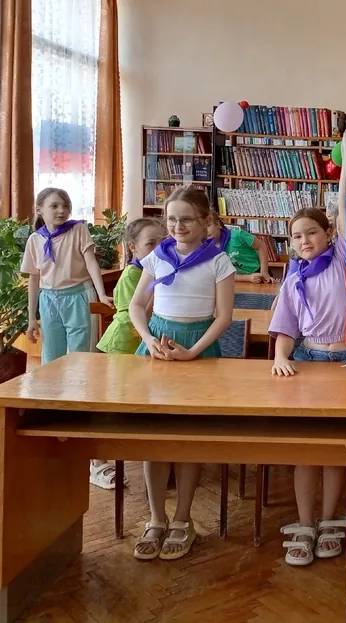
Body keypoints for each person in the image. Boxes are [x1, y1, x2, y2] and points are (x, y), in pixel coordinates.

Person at [128, 186, 236, 561]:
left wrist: (193, 351)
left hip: (198, 350)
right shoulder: (157, 256)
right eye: (172, 219)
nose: (178, 226)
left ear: (206, 221)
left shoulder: (219, 261)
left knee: (188, 438)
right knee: (154, 438)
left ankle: (183, 519)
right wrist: (148, 338)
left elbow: (224, 317)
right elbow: (137, 305)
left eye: (187, 219)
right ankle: (156, 518)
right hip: (158, 347)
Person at [268, 206, 346, 566]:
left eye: (311, 232)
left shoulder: (342, 258)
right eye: (296, 236)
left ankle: (328, 520)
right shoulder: (293, 276)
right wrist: (281, 356)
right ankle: (305, 523)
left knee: (337, 449)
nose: (304, 241)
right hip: (309, 361)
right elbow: (286, 326)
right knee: (307, 448)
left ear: (329, 233)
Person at [21, 188, 115, 489]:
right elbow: (34, 279)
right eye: (54, 206)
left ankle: (85, 434)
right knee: (51, 363)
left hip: (78, 296)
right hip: (49, 300)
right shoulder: (35, 240)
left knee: (81, 362)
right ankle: (55, 429)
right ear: (40, 209)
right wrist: (32, 317)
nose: (61, 210)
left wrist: (101, 294)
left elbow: (91, 263)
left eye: (65, 205)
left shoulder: (78, 231)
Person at [97, 217, 166, 355]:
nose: (158, 249)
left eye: (163, 243)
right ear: (133, 246)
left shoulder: (153, 270)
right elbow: (139, 311)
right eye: (151, 244)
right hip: (121, 342)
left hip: (139, 339)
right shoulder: (131, 274)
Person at [208, 213, 274, 283]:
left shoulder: (237, 235)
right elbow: (223, 275)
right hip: (239, 279)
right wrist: (248, 278)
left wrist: (264, 272)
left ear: (218, 224)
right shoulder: (207, 251)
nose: (205, 231)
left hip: (259, 272)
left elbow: (261, 246)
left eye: (208, 225)